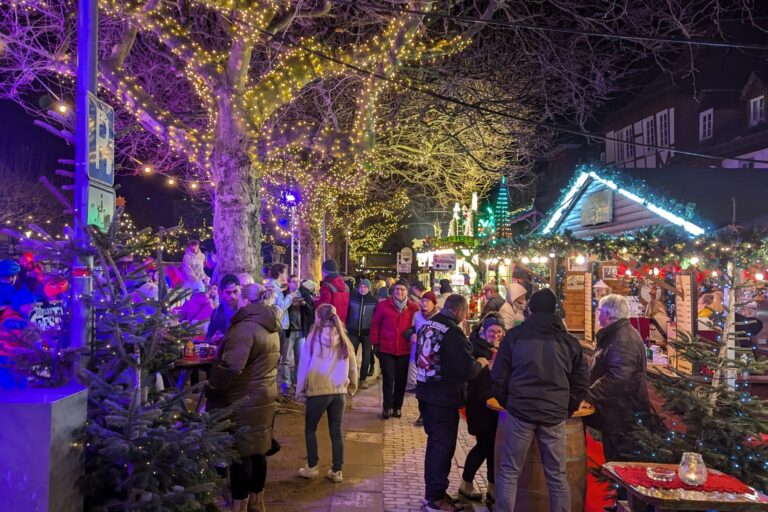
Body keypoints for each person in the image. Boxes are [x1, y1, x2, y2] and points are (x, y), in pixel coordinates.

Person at [491, 288, 588, 512]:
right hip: (553, 415)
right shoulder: (569, 342)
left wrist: (509, 403)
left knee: (509, 471)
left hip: (520, 412)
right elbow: (581, 381)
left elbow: (498, 377)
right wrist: (567, 407)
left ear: (530, 309)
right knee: (557, 475)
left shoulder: (515, 337)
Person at [205, 283, 281, 512]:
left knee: (241, 453)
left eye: (238, 294)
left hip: (243, 399)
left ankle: (239, 504)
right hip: (264, 395)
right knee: (258, 450)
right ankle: (258, 502)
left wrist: (213, 387)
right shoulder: (269, 325)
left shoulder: (245, 328)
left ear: (246, 301)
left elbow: (231, 368)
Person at [415, 294, 486, 512]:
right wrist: (480, 364)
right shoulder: (453, 332)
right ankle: (435, 498)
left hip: (426, 392)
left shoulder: (429, 324)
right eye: (465, 313)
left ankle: (435, 492)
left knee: (436, 445)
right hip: (442, 398)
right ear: (459, 311)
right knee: (442, 448)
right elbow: (465, 369)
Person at [582, 294, 650, 509]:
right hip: (616, 411)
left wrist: (590, 394)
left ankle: (623, 503)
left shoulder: (623, 339)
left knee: (621, 460)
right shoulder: (616, 334)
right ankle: (619, 501)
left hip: (623, 411)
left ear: (608, 313)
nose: (597, 313)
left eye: (599, 309)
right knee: (614, 459)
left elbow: (619, 377)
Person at [295, 304, 359, 483]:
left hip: (317, 390)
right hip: (338, 391)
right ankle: (337, 470)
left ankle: (312, 466)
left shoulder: (313, 337)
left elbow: (304, 366)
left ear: (318, 317)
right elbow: (353, 366)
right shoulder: (345, 339)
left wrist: (300, 391)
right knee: (336, 431)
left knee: (311, 429)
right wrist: (351, 388)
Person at [461, 313, 505, 504]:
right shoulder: (474, 347)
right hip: (479, 403)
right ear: (483, 330)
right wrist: (483, 365)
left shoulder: (504, 348)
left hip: (497, 404)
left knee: (492, 446)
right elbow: (469, 375)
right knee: (485, 445)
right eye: (491, 331)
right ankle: (466, 483)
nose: (495, 335)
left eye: (499, 332)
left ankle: (491, 487)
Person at [370, 279, 418, 419]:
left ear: (407, 291)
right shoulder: (383, 305)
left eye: (403, 289)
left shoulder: (413, 307)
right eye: (397, 289)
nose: (399, 292)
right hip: (386, 348)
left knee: (401, 380)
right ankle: (387, 407)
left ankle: (397, 407)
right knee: (388, 379)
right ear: (393, 290)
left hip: (404, 349)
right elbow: (375, 324)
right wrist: (375, 343)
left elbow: (419, 323)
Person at [265, 263, 296, 393]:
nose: (286, 275)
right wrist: (291, 296)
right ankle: (274, 388)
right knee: (276, 358)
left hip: (280, 326)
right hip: (278, 326)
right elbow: (280, 306)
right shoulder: (273, 287)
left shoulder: (276, 287)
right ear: (279, 273)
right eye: (285, 272)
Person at [405, 291, 439, 398]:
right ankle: (412, 384)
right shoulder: (417, 314)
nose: (425, 303)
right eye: (423, 301)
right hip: (417, 346)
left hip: (432, 347)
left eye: (428, 301)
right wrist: (411, 334)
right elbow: (411, 328)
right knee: (414, 364)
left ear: (433, 303)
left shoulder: (439, 316)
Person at [346, 278, 378, 389]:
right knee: (351, 355)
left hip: (367, 333)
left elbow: (376, 318)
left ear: (369, 289)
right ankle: (350, 377)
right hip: (353, 332)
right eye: (361, 287)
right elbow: (347, 313)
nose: (362, 289)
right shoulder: (352, 299)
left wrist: (374, 331)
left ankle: (363, 379)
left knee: (366, 356)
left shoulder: (373, 301)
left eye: (365, 287)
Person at [284, 274, 309, 391]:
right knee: (286, 360)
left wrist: (304, 304)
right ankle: (286, 384)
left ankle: (296, 382)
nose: (296, 283)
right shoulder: (285, 295)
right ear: (289, 283)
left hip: (301, 331)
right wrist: (289, 303)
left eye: (298, 281)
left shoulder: (303, 294)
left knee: (300, 360)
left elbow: (311, 311)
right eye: (293, 281)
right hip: (289, 332)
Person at [206, 274, 242, 345]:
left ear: (240, 290)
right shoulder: (216, 312)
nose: (232, 296)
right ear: (221, 293)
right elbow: (208, 337)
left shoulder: (245, 311)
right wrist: (212, 340)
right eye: (228, 293)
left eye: (235, 292)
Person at [314, 259, 350, 323]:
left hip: (330, 322)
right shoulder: (345, 286)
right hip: (341, 322)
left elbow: (324, 306)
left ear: (325, 271)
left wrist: (313, 302)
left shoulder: (327, 285)